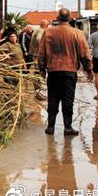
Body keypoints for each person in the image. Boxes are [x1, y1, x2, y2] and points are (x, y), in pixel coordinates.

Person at [38, 8, 93, 136]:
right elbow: (85, 54)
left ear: (57, 18)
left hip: (53, 71)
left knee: (53, 99)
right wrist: (89, 69)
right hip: (69, 71)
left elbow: (41, 54)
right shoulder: (77, 33)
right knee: (68, 99)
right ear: (69, 19)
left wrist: (42, 69)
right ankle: (67, 127)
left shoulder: (48, 32)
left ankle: (51, 127)